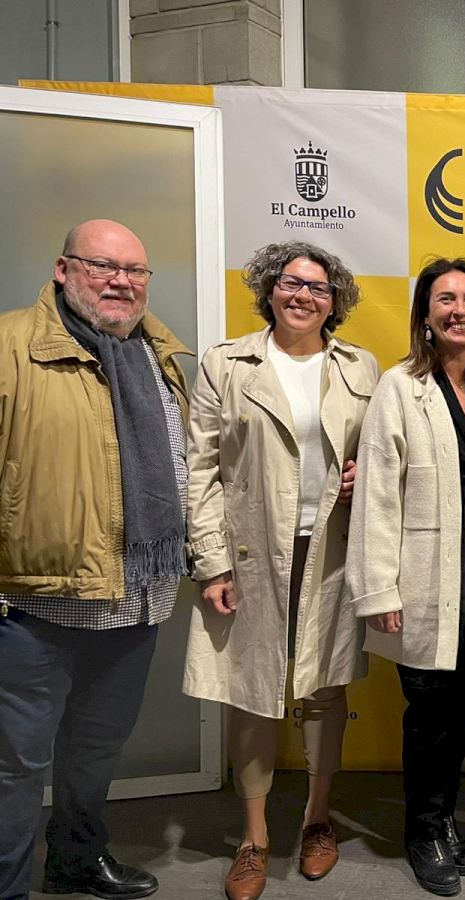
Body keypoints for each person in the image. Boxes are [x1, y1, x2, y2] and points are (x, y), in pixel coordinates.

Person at [0, 219, 191, 900]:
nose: (120, 282)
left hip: (133, 601)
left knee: (96, 750)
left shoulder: (159, 356)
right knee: (15, 765)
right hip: (32, 603)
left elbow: (182, 466)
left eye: (135, 271)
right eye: (102, 266)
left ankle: (76, 859)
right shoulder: (10, 347)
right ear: (62, 269)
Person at [184, 241, 379, 900]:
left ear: (335, 301)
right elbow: (201, 468)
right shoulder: (226, 363)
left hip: (332, 552)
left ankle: (318, 821)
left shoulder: (359, 366)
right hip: (249, 554)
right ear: (269, 290)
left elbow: (379, 453)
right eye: (291, 283)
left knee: (325, 690)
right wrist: (211, 561)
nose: (303, 295)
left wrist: (362, 474)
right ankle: (254, 838)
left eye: (318, 288)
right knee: (254, 690)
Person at [346, 257, 465, 897]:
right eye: (445, 300)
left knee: (461, 708)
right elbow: (376, 496)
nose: (459, 311)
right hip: (425, 580)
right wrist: (378, 590)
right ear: (425, 314)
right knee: (429, 712)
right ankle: (422, 831)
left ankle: (444, 820)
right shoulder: (401, 387)